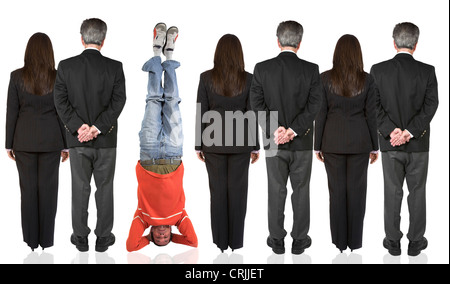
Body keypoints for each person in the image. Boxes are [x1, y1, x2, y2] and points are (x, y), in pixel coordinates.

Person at [54, 18, 126, 252]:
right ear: (103, 41)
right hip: (106, 140)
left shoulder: (66, 66)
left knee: (79, 188)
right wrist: (97, 128)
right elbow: (118, 102)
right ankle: (103, 239)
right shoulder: (115, 67)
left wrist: (79, 128)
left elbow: (60, 101)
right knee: (105, 189)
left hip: (77, 141)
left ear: (82, 38)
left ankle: (80, 238)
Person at [250, 21, 322, 255]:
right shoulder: (311, 69)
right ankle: (300, 240)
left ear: (278, 40)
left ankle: (277, 240)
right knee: (301, 190)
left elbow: (256, 104)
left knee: (276, 188)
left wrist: (275, 130)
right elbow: (314, 106)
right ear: (299, 43)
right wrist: (293, 129)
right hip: (301, 139)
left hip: (273, 140)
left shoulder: (262, 68)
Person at [126, 23, 198, 252]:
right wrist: (175, 239)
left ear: (151, 234)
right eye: (166, 237)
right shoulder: (179, 218)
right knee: (173, 101)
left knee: (154, 99)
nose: (162, 234)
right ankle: (169, 54)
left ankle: (156, 51)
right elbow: (193, 242)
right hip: (174, 152)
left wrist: (147, 239)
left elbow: (130, 246)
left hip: (148, 153)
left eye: (159, 237)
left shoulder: (143, 218)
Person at [370, 22, 438, 257]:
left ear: (394, 41)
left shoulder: (378, 70)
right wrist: (409, 131)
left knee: (392, 191)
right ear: (416, 44)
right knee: (417, 192)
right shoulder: (427, 71)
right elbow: (431, 106)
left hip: (390, 144)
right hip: (418, 144)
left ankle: (392, 241)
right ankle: (416, 242)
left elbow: (373, 106)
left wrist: (392, 132)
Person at [314, 34, 379, 253]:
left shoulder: (325, 79)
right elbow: (371, 115)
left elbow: (320, 114)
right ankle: (355, 242)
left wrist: (317, 145)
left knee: (337, 193)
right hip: (360, 143)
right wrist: (374, 146)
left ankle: (339, 242)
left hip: (332, 142)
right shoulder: (367, 80)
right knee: (357, 193)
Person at [195, 34, 260, 252]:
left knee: (218, 193)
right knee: (238, 193)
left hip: (212, 143)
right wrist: (254, 145)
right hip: (240, 143)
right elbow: (251, 113)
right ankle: (236, 243)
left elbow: (201, 112)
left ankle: (220, 243)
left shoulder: (206, 78)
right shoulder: (248, 79)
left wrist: (198, 144)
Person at [5, 33, 69, 251]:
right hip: (51, 141)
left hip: (23, 141)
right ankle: (46, 241)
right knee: (49, 191)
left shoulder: (16, 77)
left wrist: (8, 143)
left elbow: (11, 112)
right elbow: (62, 113)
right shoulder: (58, 77)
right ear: (49, 52)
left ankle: (31, 241)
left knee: (29, 191)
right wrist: (65, 144)